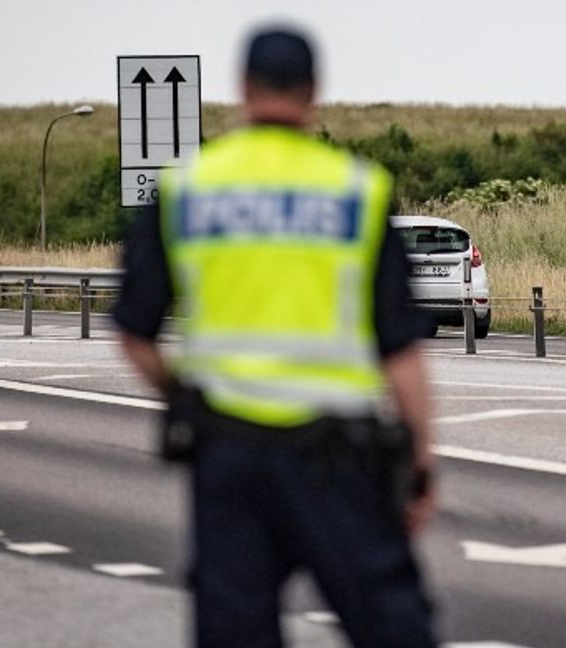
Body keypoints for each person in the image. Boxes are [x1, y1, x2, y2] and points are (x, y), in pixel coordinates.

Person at [113, 25, 437, 648]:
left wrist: (184, 396)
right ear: (315, 91)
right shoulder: (359, 191)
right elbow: (401, 352)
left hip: (228, 453)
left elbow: (134, 333)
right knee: (394, 627)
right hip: (334, 457)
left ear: (242, 88)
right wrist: (419, 465)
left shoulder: (187, 189)